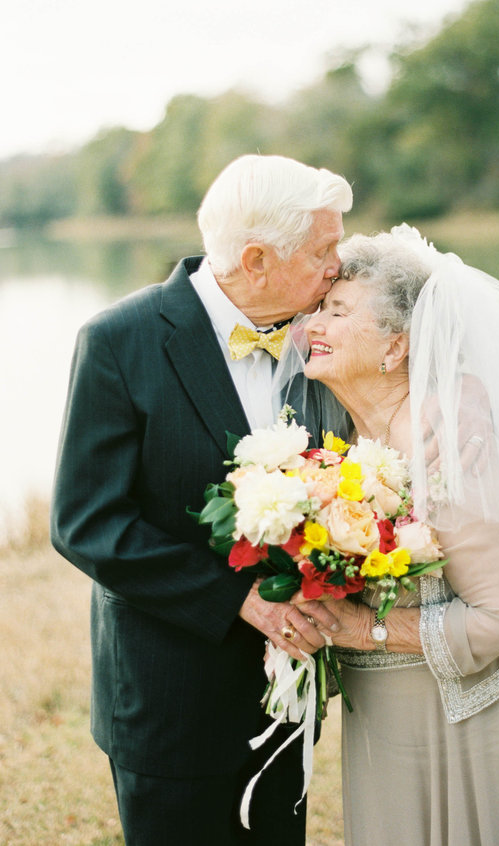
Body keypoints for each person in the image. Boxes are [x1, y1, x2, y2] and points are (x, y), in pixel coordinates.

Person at [50, 154, 353, 846]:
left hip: (287, 696)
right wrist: (239, 599)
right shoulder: (118, 342)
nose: (339, 265)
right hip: (171, 699)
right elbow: (85, 524)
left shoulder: (319, 333)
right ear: (256, 260)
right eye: (324, 250)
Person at [296, 225, 499, 845]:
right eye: (317, 308)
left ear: (396, 347)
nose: (312, 324)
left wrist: (361, 631)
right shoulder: (340, 432)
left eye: (338, 312)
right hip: (402, 708)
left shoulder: (450, 448)